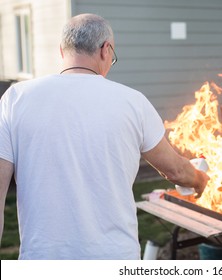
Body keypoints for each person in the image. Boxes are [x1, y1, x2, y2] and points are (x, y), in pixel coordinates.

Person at [0, 13, 209, 260]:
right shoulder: (133, 102)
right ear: (105, 50)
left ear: (61, 51)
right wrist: (200, 179)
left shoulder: (15, 99)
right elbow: (175, 171)